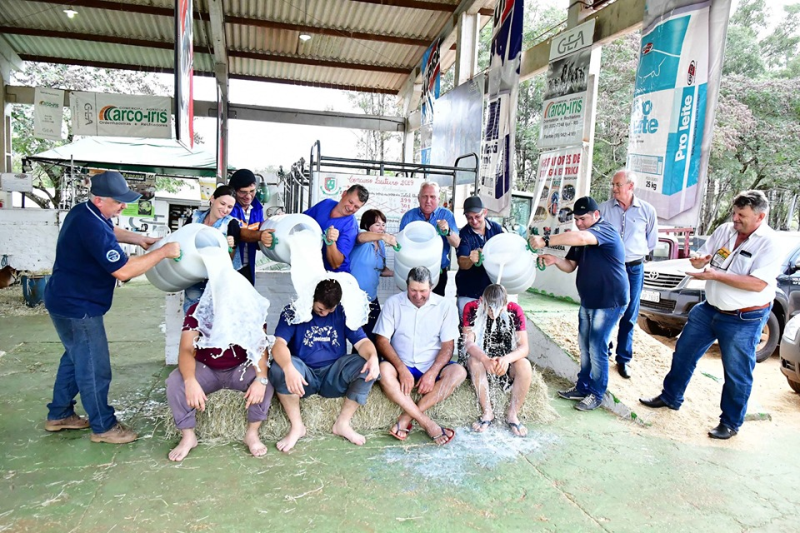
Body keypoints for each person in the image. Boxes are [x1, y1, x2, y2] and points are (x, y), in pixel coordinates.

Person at [44, 171, 181, 444]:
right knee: (94, 366)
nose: (122, 206)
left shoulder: (84, 213)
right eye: (118, 201)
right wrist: (162, 252)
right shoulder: (92, 223)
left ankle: (59, 414)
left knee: (74, 357)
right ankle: (103, 427)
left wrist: (139, 240)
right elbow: (123, 271)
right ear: (98, 200)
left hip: (62, 298)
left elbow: (111, 230)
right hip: (79, 306)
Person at [639, 190, 781, 439]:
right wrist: (698, 261)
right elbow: (702, 260)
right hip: (709, 309)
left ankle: (730, 422)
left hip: (743, 318)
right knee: (683, 353)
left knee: (737, 372)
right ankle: (670, 397)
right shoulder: (725, 230)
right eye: (734, 213)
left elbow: (758, 284)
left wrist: (716, 275)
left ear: (760, 216)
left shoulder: (770, 243)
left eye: (742, 215)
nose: (735, 219)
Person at [531, 196, 628, 412]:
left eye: (583, 218)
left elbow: (583, 237)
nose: (579, 223)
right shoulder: (580, 237)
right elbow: (571, 266)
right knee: (584, 346)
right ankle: (582, 386)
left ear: (596, 215)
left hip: (609, 301)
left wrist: (546, 241)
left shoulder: (604, 230)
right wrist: (555, 260)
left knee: (597, 347)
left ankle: (597, 393)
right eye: (576, 219)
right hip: (589, 300)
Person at [268, 279, 380, 452]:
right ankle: (298, 427)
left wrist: (373, 357)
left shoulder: (343, 312)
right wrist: (288, 367)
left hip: (334, 374)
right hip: (304, 376)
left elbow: (362, 342)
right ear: (311, 298)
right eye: (321, 309)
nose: (325, 314)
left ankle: (343, 423)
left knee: (367, 364)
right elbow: (278, 344)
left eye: (330, 310)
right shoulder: (293, 311)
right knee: (278, 367)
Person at [165, 298, 272, 461]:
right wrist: (190, 381)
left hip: (241, 367)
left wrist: (261, 379)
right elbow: (186, 349)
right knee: (175, 381)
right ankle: (188, 436)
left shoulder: (251, 310)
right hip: (206, 367)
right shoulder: (197, 310)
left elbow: (260, 347)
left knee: (267, 382)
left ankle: (252, 433)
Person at [374, 267, 465, 445]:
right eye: (413, 290)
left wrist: (432, 373)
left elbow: (448, 346)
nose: (417, 295)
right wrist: (401, 369)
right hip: (402, 363)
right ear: (406, 286)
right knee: (383, 371)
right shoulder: (393, 303)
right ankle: (427, 423)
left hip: (431, 365)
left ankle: (406, 418)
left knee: (459, 372)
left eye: (423, 291)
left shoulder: (445, 306)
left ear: (431, 287)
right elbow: (382, 340)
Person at [598, 170, 658, 379]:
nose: (614, 189)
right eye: (613, 185)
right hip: (609, 268)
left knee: (630, 313)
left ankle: (623, 360)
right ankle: (604, 350)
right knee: (606, 309)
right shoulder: (604, 209)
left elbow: (651, 242)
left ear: (630, 186)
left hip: (633, 267)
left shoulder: (647, 211)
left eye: (618, 185)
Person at [463, 284, 532, 437]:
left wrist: (506, 359)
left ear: (506, 304)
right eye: (489, 308)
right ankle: (488, 412)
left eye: (499, 309)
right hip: (482, 359)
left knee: (525, 365)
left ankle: (513, 414)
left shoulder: (515, 310)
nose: (493, 314)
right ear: (482, 301)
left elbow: (524, 347)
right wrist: (485, 359)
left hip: (504, 360)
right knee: (474, 361)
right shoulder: (471, 308)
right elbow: (469, 343)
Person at [183, 185, 239, 312]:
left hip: (216, 281)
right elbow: (181, 239)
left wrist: (231, 246)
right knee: (191, 315)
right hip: (192, 276)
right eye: (222, 203)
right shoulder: (195, 217)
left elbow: (230, 260)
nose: (225, 209)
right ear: (212, 199)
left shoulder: (231, 224)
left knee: (212, 317)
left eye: (229, 207)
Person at [399, 182, 461, 296]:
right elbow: (400, 245)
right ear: (418, 198)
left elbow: (457, 243)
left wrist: (448, 231)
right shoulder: (409, 216)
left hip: (437, 272)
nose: (428, 201)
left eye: (432, 197)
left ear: (438, 199)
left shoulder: (447, 215)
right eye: (424, 196)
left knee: (434, 309)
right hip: (412, 273)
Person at [349, 209, 395, 343]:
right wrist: (383, 236)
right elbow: (360, 237)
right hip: (354, 298)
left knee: (375, 335)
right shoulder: (362, 237)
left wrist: (398, 274)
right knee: (361, 338)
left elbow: (380, 269)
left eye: (383, 225)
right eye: (377, 225)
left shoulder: (380, 244)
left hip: (371, 298)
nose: (382, 228)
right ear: (367, 226)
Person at [456, 196, 504, 316]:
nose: (474, 221)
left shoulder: (496, 229)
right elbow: (461, 262)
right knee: (468, 327)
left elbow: (506, 250)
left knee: (493, 327)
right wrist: (470, 259)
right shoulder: (464, 234)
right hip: (469, 291)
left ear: (485, 212)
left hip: (492, 290)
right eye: (469, 218)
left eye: (477, 216)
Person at [304, 185, 369, 273]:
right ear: (344, 194)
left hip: (334, 277)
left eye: (356, 207)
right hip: (311, 267)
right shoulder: (326, 203)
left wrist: (331, 242)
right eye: (350, 202)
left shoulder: (350, 227)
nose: (351, 208)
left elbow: (336, 264)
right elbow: (301, 220)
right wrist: (282, 220)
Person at [227, 169, 274, 284]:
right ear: (233, 191)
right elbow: (239, 233)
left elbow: (257, 241)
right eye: (243, 192)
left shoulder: (257, 209)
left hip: (248, 267)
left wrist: (271, 224)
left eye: (252, 191)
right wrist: (260, 235)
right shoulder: (228, 208)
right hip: (230, 267)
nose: (248, 196)